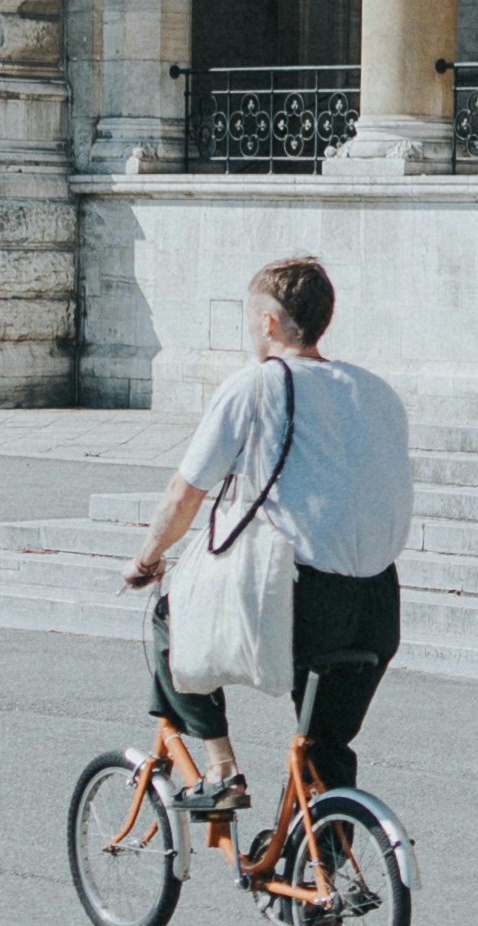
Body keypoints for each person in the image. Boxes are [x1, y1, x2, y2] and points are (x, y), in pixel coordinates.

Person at [120, 254, 414, 816]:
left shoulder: (256, 385)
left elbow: (185, 495)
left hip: (302, 597)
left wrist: (145, 559)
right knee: (326, 745)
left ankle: (222, 769)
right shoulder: (377, 392)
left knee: (169, 616)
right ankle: (322, 875)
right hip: (377, 604)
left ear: (269, 323)